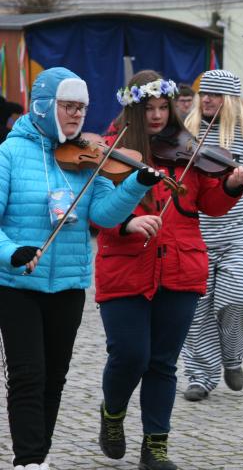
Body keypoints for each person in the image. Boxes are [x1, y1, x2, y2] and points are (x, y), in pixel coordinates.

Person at [95, 69, 243, 470]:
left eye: (163, 107)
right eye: (148, 108)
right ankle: (113, 413)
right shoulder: (110, 150)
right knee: (130, 355)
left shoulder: (187, 149)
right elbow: (95, 214)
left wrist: (233, 186)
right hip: (126, 267)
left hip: (180, 267)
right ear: (134, 110)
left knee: (163, 362)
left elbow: (211, 204)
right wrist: (125, 224)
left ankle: (156, 446)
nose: (156, 115)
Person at [0, 67, 161, 470]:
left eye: (82, 108)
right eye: (68, 106)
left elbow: (105, 216)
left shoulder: (88, 157)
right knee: (27, 374)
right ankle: (29, 460)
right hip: (17, 281)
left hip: (68, 282)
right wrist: (12, 252)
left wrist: (136, 185)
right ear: (44, 105)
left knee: (54, 375)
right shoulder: (8, 153)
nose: (76, 115)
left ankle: (40, 452)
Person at [180, 69, 243, 402]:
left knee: (239, 297)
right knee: (196, 310)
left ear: (231, 100)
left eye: (214, 94)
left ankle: (232, 356)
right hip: (193, 234)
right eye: (203, 93)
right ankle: (200, 374)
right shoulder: (185, 132)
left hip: (237, 233)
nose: (207, 99)